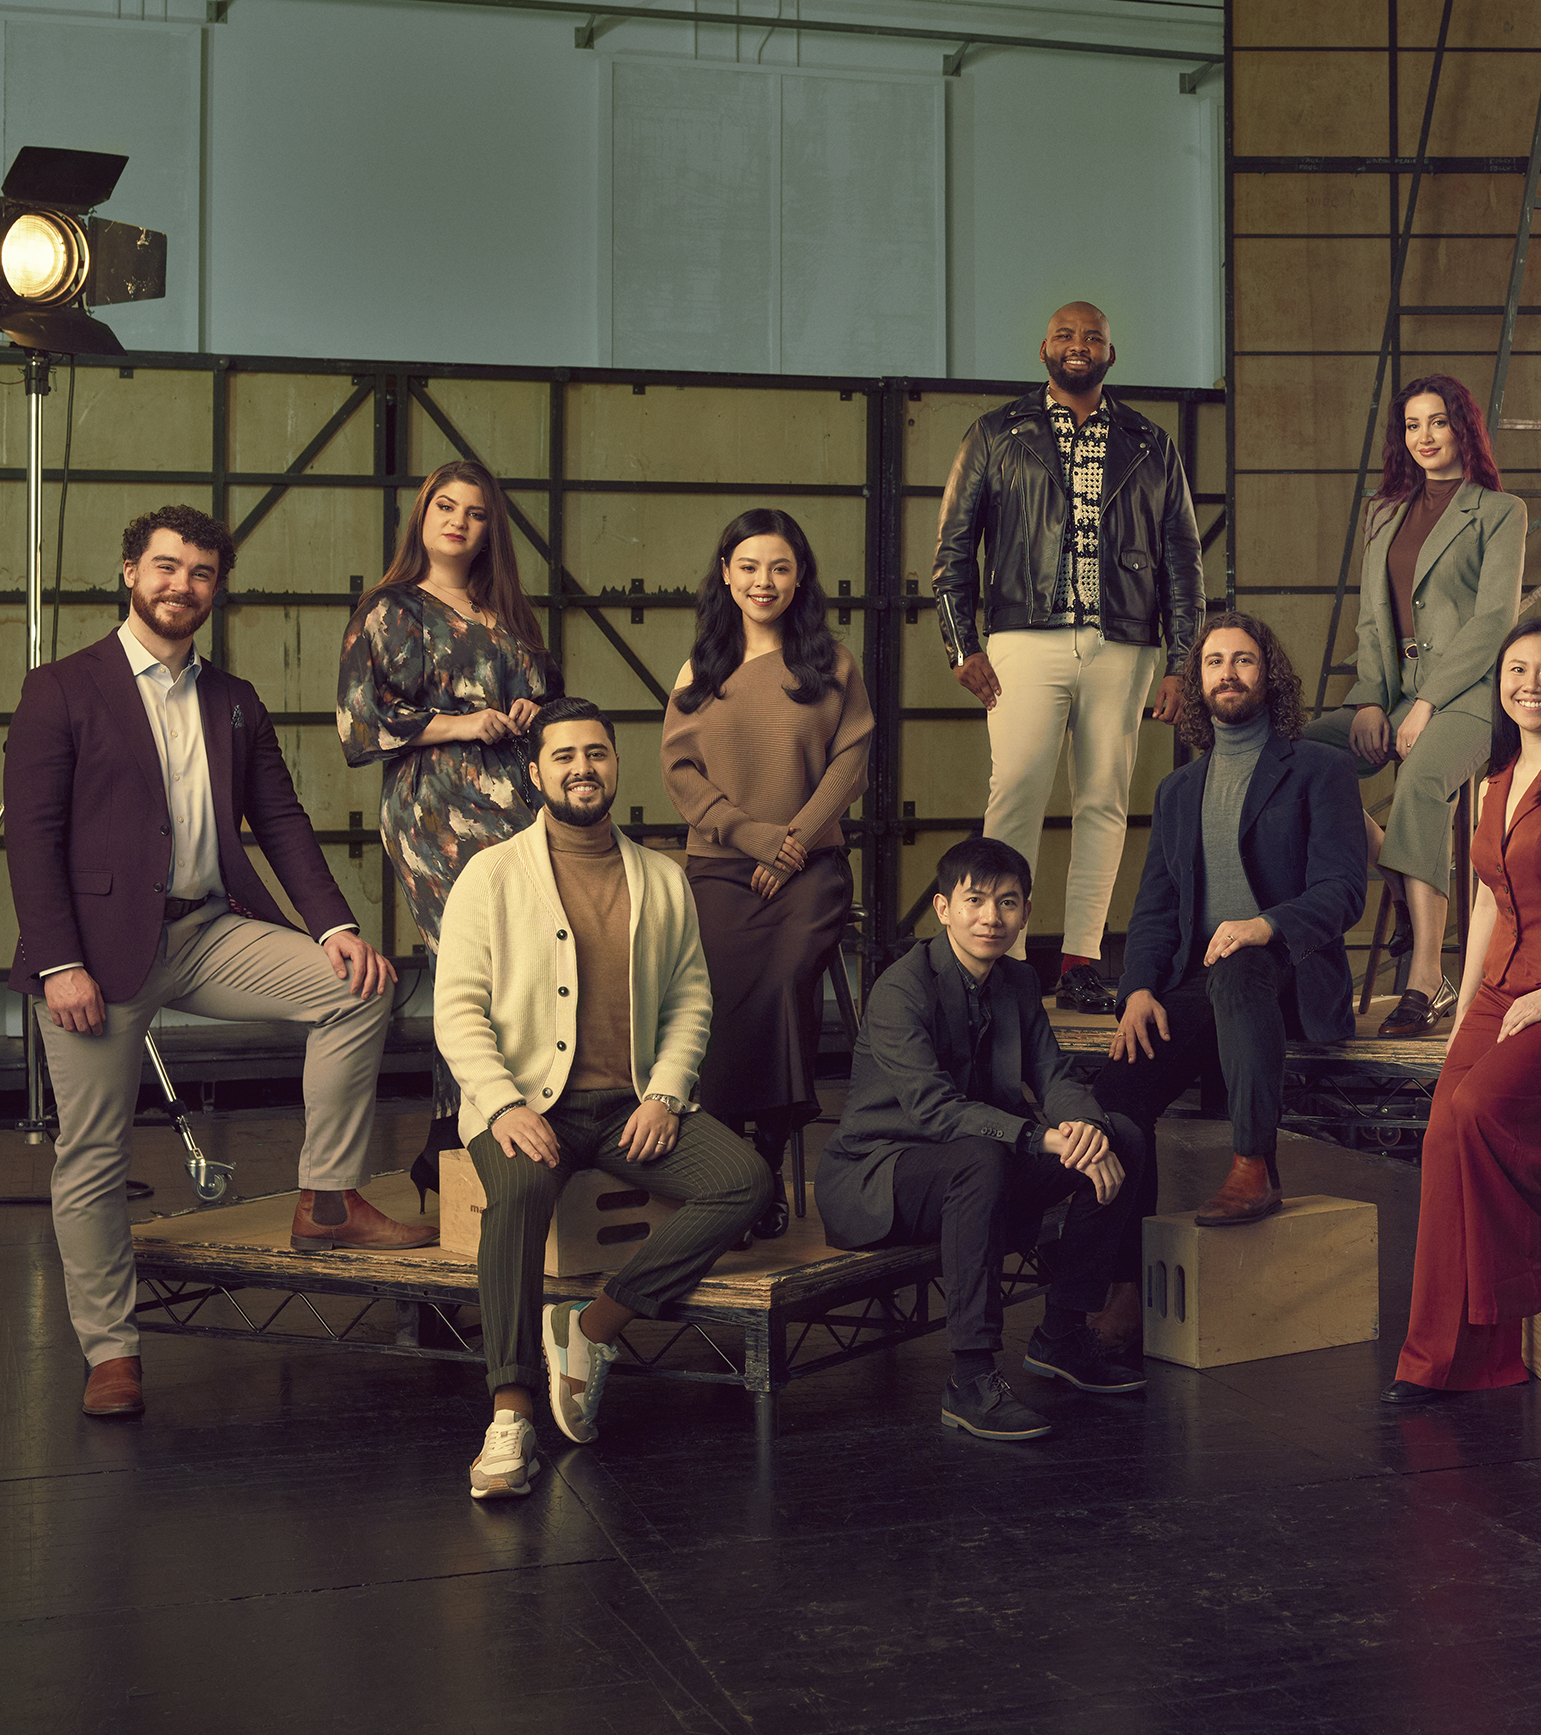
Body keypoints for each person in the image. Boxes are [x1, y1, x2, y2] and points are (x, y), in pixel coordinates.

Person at [7, 505, 423, 1421]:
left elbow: (279, 821)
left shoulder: (233, 700)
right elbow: (31, 842)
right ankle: (112, 1352)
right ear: (129, 572)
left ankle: (325, 1198)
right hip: (95, 957)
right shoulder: (62, 689)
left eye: (199, 573)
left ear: (215, 588)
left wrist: (334, 928)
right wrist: (55, 962)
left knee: (355, 991)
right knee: (92, 1156)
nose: (180, 587)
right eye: (165, 567)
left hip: (205, 931)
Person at [434, 701, 769, 1499]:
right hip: (523, 1105)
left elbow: (691, 998)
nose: (582, 767)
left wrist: (666, 1092)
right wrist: (504, 1104)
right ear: (536, 773)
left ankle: (593, 1327)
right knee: (514, 1196)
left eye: (597, 753)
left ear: (617, 766)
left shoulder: (661, 877)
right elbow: (456, 1007)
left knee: (744, 1181)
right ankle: (510, 1413)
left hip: (630, 1107)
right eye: (564, 756)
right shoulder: (491, 873)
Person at [819, 838, 1151, 1440]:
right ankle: (970, 1378)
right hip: (881, 1176)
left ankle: (1061, 1333)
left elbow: (1055, 1076)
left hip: (984, 1164)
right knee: (978, 1157)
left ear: (1025, 911)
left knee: (1122, 1135)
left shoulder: (1018, 982)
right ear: (943, 908)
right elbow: (934, 1110)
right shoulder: (901, 989)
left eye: (1008, 902)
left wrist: (1087, 1132)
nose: (991, 918)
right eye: (975, 900)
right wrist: (1042, 1140)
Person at [1386, 617, 1541, 1402]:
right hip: (1499, 985)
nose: (1531, 685)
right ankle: (1442, 1360)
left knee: (1480, 1112)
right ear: (1499, 684)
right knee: (1440, 1134)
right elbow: (1489, 901)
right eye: (1516, 670)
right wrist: (1467, 1011)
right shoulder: (1488, 782)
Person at [930, 301, 1205, 1017]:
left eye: (1094, 337)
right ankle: (1005, 958)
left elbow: (1183, 559)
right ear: (1043, 348)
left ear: (1111, 354)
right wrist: (962, 645)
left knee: (1105, 801)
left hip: (1125, 642)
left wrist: (1180, 660)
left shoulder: (1150, 442)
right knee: (1015, 791)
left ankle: (1083, 959)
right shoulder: (995, 434)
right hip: (1023, 636)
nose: (1079, 346)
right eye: (1066, 335)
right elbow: (953, 550)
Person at [1099, 611, 1370, 1226]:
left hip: (1288, 972)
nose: (1229, 672)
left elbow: (1344, 890)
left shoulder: (1320, 770)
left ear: (1268, 676)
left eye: (1243, 660)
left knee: (1241, 964)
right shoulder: (1178, 790)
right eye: (1214, 661)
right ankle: (1119, 1282)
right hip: (1195, 980)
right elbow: (1155, 910)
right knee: (1117, 1095)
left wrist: (1265, 925)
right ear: (1197, 680)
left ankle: (1254, 1165)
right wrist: (1138, 988)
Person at [335, 458, 561, 1188]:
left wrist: (532, 711)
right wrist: (459, 725)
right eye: (446, 507)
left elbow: (543, 708)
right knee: (470, 963)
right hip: (434, 810)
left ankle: (500, 1132)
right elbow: (358, 723)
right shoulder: (392, 608)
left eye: (476, 512)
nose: (459, 521)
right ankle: (458, 1137)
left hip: (518, 806)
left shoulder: (512, 615)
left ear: (491, 527)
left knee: (524, 963)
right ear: (423, 516)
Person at [662, 508, 875, 1229]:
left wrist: (794, 843)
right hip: (723, 864)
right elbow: (681, 773)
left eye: (780, 567)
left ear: (800, 577)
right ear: (726, 574)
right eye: (749, 566)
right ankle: (725, 1160)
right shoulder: (702, 670)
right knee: (713, 985)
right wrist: (755, 839)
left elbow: (852, 762)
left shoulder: (831, 665)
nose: (764, 581)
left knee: (786, 976)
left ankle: (769, 1148)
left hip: (810, 867)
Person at [1304, 375, 1528, 1037]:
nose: (1425, 437)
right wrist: (1373, 700)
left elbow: (1494, 622)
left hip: (1472, 691)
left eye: (1438, 422)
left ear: (1463, 428)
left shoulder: (1499, 511)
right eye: (1412, 425)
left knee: (1424, 779)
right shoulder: (1383, 512)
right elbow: (1371, 623)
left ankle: (1426, 977)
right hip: (1392, 688)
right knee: (1298, 758)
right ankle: (1402, 878)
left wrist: (1426, 702)